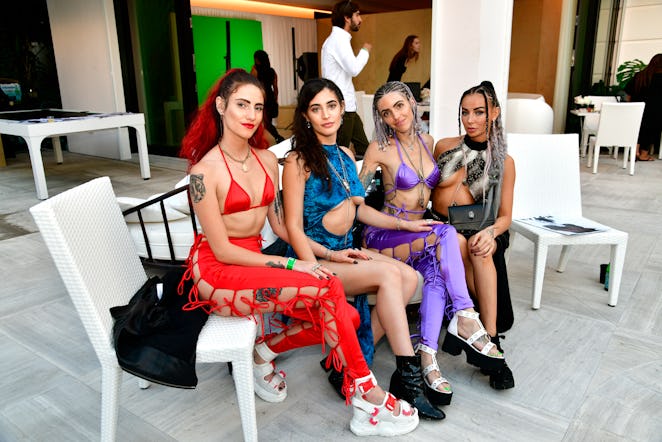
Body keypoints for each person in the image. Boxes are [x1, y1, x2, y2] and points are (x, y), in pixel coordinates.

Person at [177, 69, 418, 437]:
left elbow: (280, 226)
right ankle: (367, 396)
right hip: (216, 271)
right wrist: (295, 264)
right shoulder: (202, 173)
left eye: (258, 107)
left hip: (254, 260)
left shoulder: (263, 161)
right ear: (221, 106)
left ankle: (262, 354)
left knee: (347, 317)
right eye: (242, 104)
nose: (251, 115)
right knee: (327, 292)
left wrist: (326, 256)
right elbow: (223, 250)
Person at [282, 77, 445, 420]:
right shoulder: (298, 161)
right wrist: (317, 267)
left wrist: (405, 224)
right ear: (306, 116)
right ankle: (410, 379)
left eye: (331, 105)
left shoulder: (344, 154)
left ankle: (343, 359)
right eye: (316, 108)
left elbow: (360, 208)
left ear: (343, 109)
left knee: (408, 277)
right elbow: (293, 227)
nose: (326, 115)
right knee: (388, 275)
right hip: (316, 256)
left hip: (346, 247)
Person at [359, 81, 506, 404]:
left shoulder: (429, 142)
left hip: (418, 234)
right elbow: (356, 203)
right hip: (386, 235)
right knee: (445, 233)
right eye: (386, 112)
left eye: (399, 106)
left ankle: (427, 357)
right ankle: (466, 316)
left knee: (438, 273)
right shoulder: (378, 149)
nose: (395, 116)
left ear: (412, 103)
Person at [431, 80, 516, 390]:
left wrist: (492, 233)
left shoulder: (503, 162)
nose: (470, 119)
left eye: (479, 112)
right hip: (441, 223)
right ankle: (483, 341)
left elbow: (506, 215)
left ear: (493, 112)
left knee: (480, 248)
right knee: (457, 243)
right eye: (465, 112)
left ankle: (490, 340)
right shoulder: (443, 146)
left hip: (484, 226)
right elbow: (424, 189)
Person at [321, 0, 371, 157]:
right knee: (339, 153)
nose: (360, 19)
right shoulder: (338, 40)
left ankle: (366, 179)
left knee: (364, 149)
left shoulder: (338, 39)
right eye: (357, 15)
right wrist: (365, 51)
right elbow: (354, 69)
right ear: (347, 18)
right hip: (342, 108)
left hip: (348, 107)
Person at [625, 53, 662, 161]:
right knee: (653, 124)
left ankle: (635, 152)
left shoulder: (640, 75)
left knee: (640, 125)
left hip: (636, 111)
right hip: (656, 113)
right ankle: (643, 154)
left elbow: (627, 93)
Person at [250, 49, 285, 144]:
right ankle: (277, 138)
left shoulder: (255, 70)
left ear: (257, 59)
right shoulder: (272, 71)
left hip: (261, 98)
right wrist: (275, 99)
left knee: (264, 122)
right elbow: (276, 88)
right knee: (266, 122)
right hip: (270, 97)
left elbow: (252, 85)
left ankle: (278, 138)